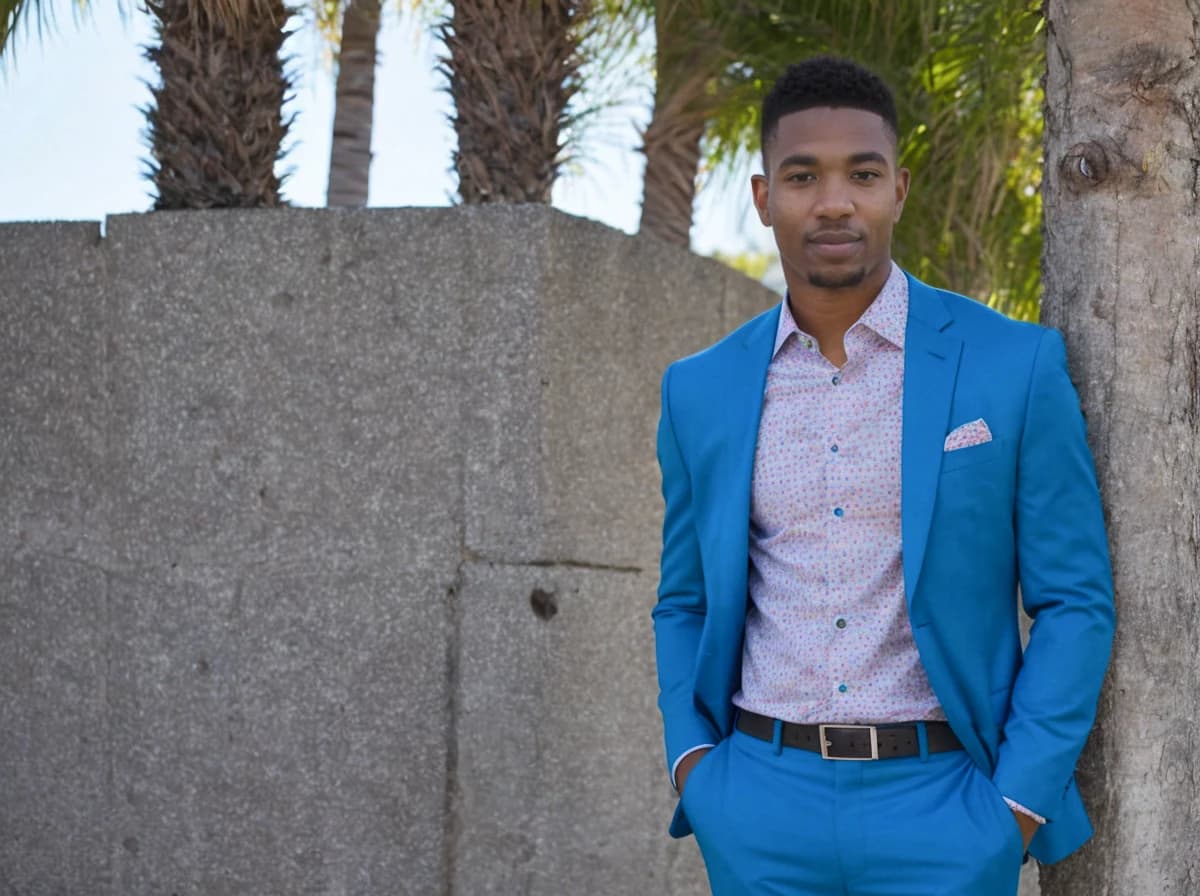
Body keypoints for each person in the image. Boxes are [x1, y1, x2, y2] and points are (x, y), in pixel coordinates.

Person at [651, 56, 1114, 896]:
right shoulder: (700, 389)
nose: (834, 201)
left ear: (897, 189)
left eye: (861, 174)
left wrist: (1014, 804)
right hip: (759, 803)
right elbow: (684, 598)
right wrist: (696, 768)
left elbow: (1075, 599)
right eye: (803, 176)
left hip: (947, 805)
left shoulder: (1013, 365)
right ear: (764, 198)